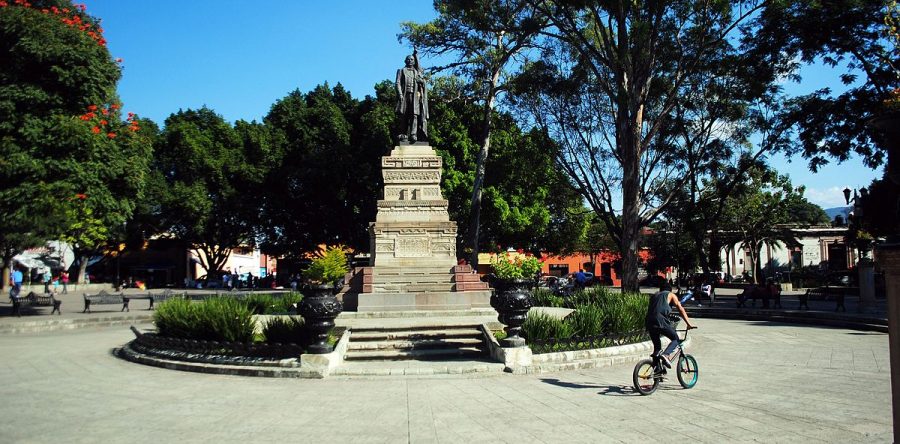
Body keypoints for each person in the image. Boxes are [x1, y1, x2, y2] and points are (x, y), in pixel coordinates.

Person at [645, 283, 696, 370]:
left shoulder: (654, 296)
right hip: (660, 320)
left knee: (657, 348)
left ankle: (657, 372)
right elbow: (680, 309)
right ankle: (666, 354)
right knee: (675, 338)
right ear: (670, 290)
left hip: (649, 322)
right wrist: (688, 324)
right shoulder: (670, 294)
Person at [395, 49, 429, 143]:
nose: (410, 61)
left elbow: (422, 81)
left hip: (415, 97)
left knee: (414, 115)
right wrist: (400, 94)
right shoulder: (401, 71)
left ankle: (413, 134)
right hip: (405, 95)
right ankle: (404, 134)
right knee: (404, 115)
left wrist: (421, 82)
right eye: (408, 59)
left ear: (414, 61)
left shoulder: (417, 72)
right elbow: (397, 83)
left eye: (412, 59)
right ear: (405, 61)